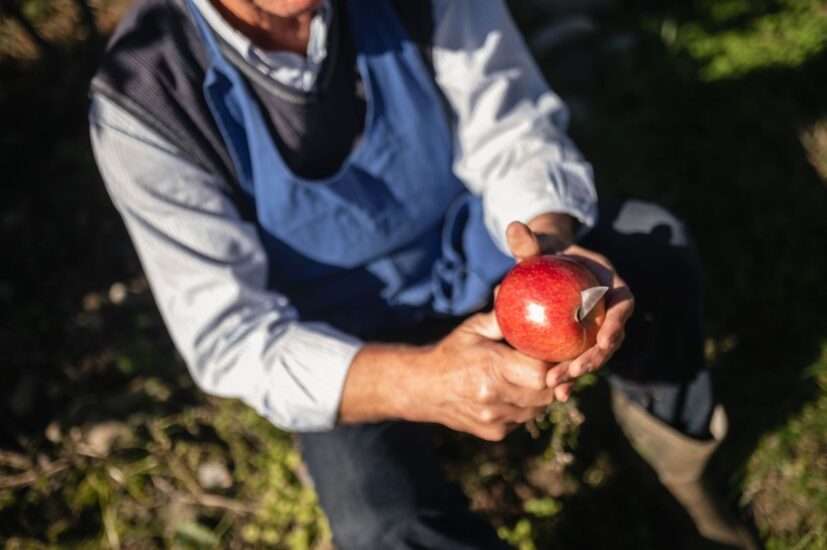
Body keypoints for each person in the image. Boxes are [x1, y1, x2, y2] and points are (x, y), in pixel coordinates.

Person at [89, 0, 755, 547]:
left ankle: (680, 473)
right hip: (340, 341)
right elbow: (231, 336)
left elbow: (513, 132)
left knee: (652, 248)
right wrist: (421, 382)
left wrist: (550, 251)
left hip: (476, 256)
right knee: (385, 527)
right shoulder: (145, 97)